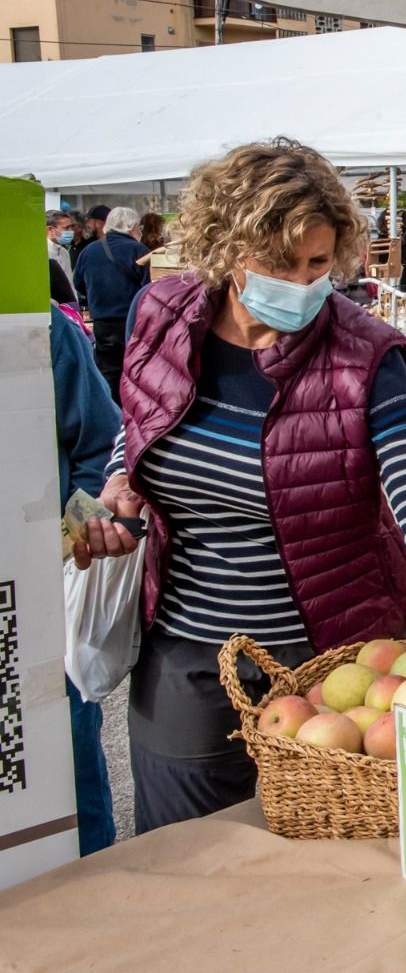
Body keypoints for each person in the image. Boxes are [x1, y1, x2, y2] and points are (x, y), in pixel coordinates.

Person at [73, 138, 406, 834]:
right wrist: (119, 480)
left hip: (333, 667)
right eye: (281, 263)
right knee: (189, 865)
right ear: (229, 246)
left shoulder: (364, 357)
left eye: (318, 263)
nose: (302, 282)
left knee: (334, 875)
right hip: (186, 658)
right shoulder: (161, 315)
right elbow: (138, 420)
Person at [50, 302, 121, 854]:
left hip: (33, 596)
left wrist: (74, 541)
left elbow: (98, 447)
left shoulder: (42, 327)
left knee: (60, 764)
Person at [73, 205, 150, 405]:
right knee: (136, 367)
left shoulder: (89, 251)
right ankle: (134, 409)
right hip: (133, 320)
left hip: (102, 322)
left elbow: (78, 283)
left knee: (108, 370)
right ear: (132, 226)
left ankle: (114, 413)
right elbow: (149, 287)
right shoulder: (138, 250)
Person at [46, 209, 75, 280]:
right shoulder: (42, 253)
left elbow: (70, 282)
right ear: (50, 230)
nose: (71, 231)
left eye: (71, 227)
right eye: (66, 228)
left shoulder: (64, 252)